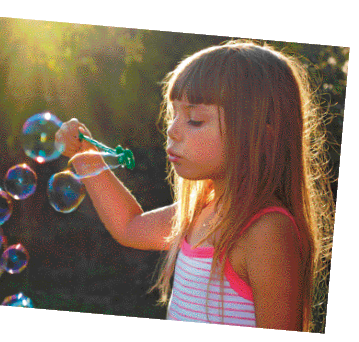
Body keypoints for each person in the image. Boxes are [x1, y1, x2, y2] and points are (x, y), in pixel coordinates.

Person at [55, 40, 335, 331]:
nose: (172, 131)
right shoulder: (202, 211)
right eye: (174, 114)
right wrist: (83, 157)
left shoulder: (265, 231)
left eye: (195, 120)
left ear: (260, 137)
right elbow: (129, 225)